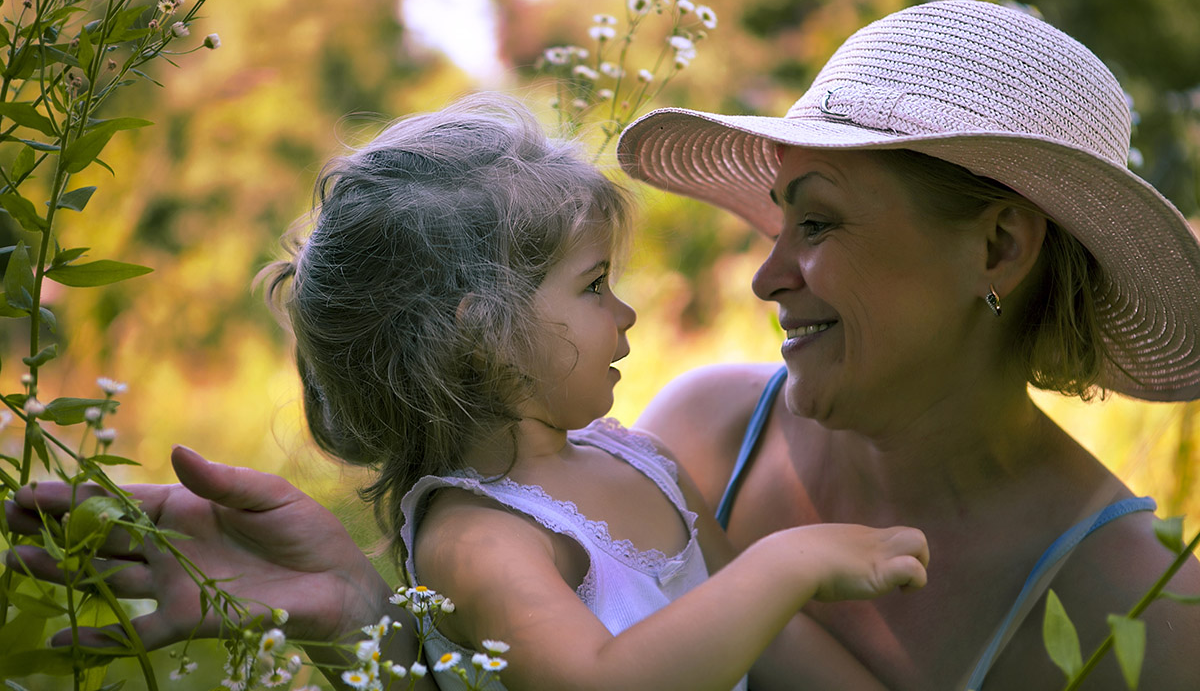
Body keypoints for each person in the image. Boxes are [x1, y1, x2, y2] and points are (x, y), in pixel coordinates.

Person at [7, 95, 928, 691]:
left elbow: (777, 650)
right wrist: (790, 562)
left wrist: (777, 592)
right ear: (479, 328)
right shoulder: (479, 536)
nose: (629, 313)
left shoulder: (637, 460)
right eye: (595, 284)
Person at [616, 0, 1200, 689]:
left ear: (998, 248)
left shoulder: (1141, 603)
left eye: (818, 223)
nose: (766, 280)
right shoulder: (703, 434)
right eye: (783, 220)